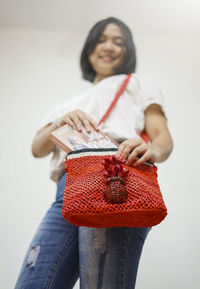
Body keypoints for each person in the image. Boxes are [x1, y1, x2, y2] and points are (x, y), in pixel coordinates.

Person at [14, 17, 173, 289]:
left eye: (118, 41)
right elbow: (37, 148)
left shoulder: (136, 83)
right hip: (67, 191)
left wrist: (153, 149)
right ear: (89, 49)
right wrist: (60, 121)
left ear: (128, 51)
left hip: (116, 178)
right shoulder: (66, 104)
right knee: (33, 282)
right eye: (101, 40)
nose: (109, 46)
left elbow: (161, 136)